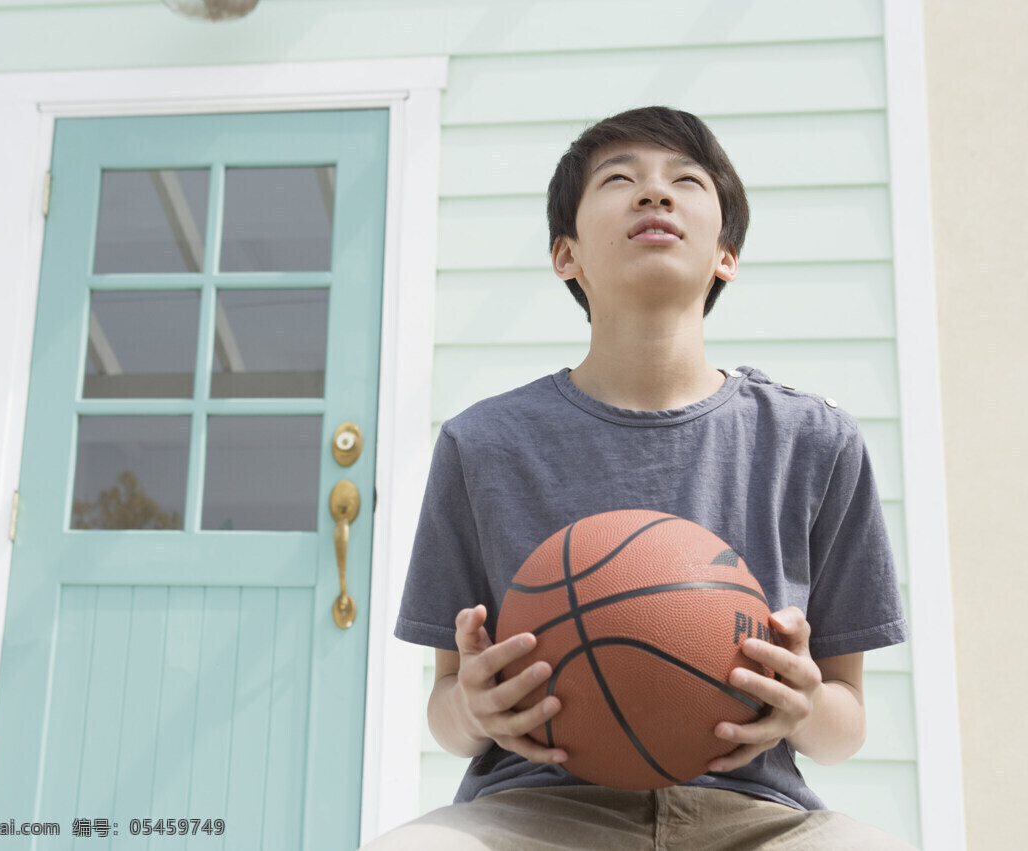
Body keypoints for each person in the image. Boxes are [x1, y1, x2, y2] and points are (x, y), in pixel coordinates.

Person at [365, 106, 912, 850]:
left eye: (686, 181)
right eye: (620, 179)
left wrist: (803, 704)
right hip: (535, 807)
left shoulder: (814, 442)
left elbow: (844, 727)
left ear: (727, 254)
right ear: (566, 255)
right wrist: (473, 710)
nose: (654, 194)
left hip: (754, 813)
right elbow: (447, 709)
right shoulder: (482, 444)